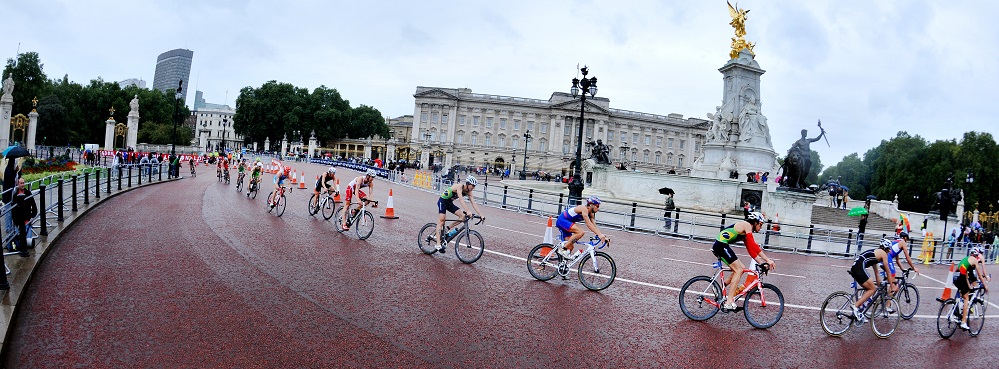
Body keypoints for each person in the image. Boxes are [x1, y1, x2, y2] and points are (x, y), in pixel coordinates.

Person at [712, 212, 777, 311]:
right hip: (721, 245)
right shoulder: (747, 225)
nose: (761, 227)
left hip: (721, 245)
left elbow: (751, 250)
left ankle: (719, 288)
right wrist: (767, 260)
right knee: (738, 270)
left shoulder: (745, 233)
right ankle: (729, 302)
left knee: (741, 268)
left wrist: (761, 263)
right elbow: (754, 245)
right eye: (760, 224)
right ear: (755, 222)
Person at [434, 175, 486, 253]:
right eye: (473, 186)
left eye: (474, 186)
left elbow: (473, 203)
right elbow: (461, 200)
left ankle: (447, 229)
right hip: (443, 201)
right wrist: (468, 211)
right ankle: (438, 244)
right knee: (441, 221)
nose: (473, 188)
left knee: (463, 217)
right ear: (468, 184)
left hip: (449, 203)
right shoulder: (459, 187)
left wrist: (481, 214)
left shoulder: (469, 192)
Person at [849, 240, 897, 322]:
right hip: (859, 267)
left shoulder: (875, 255)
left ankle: (859, 312)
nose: (889, 251)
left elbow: (877, 274)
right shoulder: (882, 253)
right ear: (884, 248)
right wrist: (892, 287)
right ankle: (856, 306)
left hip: (856, 267)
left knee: (871, 289)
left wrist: (879, 286)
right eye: (888, 249)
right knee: (872, 289)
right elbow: (888, 271)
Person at [555, 196, 610, 260]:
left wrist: (602, 235)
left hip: (568, 223)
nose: (598, 208)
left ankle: (562, 265)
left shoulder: (591, 213)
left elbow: (594, 225)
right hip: (562, 220)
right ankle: (562, 249)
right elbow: (588, 224)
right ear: (591, 205)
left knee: (570, 247)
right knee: (580, 232)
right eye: (597, 206)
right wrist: (600, 235)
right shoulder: (584, 208)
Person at [953, 247, 990, 330]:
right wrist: (985, 286)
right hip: (960, 277)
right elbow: (980, 275)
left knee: (963, 294)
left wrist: (970, 285)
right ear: (976, 255)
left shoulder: (967, 259)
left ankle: (957, 310)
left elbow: (967, 274)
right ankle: (963, 322)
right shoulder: (975, 260)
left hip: (955, 277)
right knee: (966, 298)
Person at [12, 177, 37, 258]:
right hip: (19, 222)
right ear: (17, 184)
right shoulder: (15, 196)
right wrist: (16, 223)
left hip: (27, 220)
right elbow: (14, 211)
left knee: (28, 243)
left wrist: (32, 217)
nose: (22, 185)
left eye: (23, 183)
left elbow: (34, 206)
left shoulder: (28, 193)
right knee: (20, 243)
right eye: (21, 183)